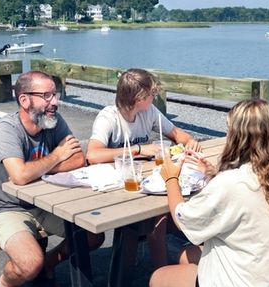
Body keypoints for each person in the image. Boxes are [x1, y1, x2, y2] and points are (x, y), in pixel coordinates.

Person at [150, 99, 269, 287]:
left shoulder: (231, 184)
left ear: (237, 137)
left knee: (158, 281)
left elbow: (182, 218)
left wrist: (171, 179)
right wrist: (212, 175)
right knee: (186, 256)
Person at [0, 70, 103, 287]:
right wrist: (57, 156)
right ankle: (7, 283)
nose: (55, 102)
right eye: (46, 95)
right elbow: (19, 176)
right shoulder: (8, 129)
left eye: (55, 94)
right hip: (6, 208)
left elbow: (79, 159)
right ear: (25, 100)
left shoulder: (54, 121)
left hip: (43, 205)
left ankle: (50, 263)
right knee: (28, 263)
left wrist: (38, 169)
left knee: (93, 235)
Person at [86, 68, 201, 269]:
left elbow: (175, 133)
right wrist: (139, 149)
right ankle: (161, 272)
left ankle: (159, 269)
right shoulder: (109, 117)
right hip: (114, 187)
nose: (154, 98)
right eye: (151, 95)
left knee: (168, 205)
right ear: (138, 98)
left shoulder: (149, 112)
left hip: (143, 180)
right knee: (158, 217)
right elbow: (93, 155)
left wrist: (189, 141)